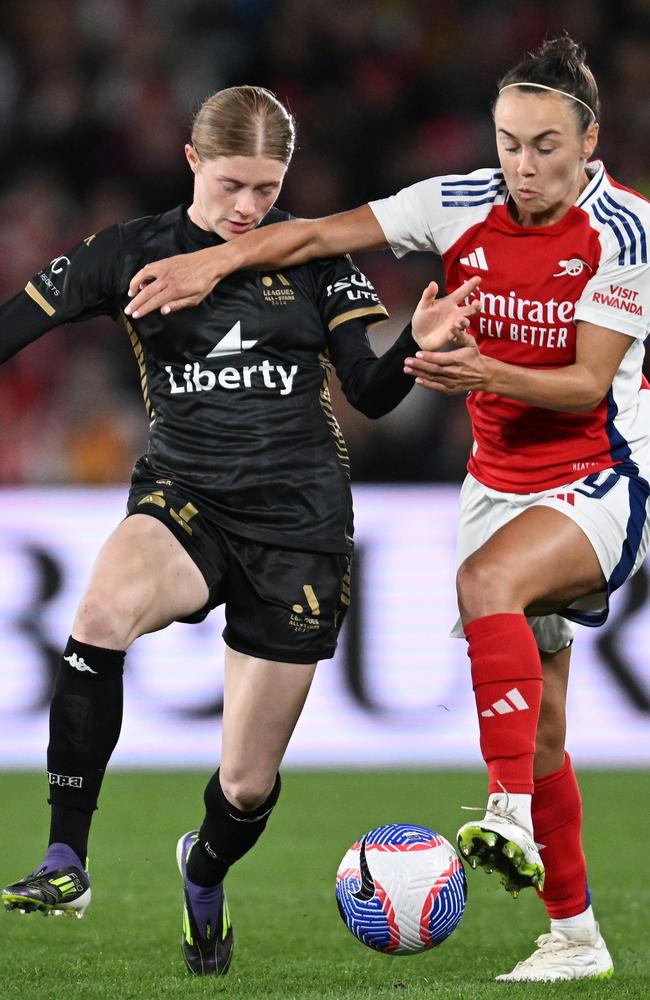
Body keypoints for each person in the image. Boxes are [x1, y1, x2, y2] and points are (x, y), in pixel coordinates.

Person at [125, 38, 650, 984]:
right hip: (497, 482)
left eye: (544, 147)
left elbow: (586, 383)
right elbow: (317, 235)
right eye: (507, 144)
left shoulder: (626, 233)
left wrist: (481, 369)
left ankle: (504, 816)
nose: (523, 167)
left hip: (599, 472)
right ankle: (575, 936)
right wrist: (216, 263)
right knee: (543, 734)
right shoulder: (457, 202)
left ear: (590, 143)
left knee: (486, 584)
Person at [0, 85, 479, 976]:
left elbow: (368, 391)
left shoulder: (316, 260)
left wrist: (418, 334)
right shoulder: (132, 251)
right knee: (101, 611)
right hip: (186, 498)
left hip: (300, 527)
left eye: (267, 188)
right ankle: (67, 856)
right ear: (191, 160)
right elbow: (16, 324)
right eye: (232, 185)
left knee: (247, 784)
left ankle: (204, 866)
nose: (249, 208)